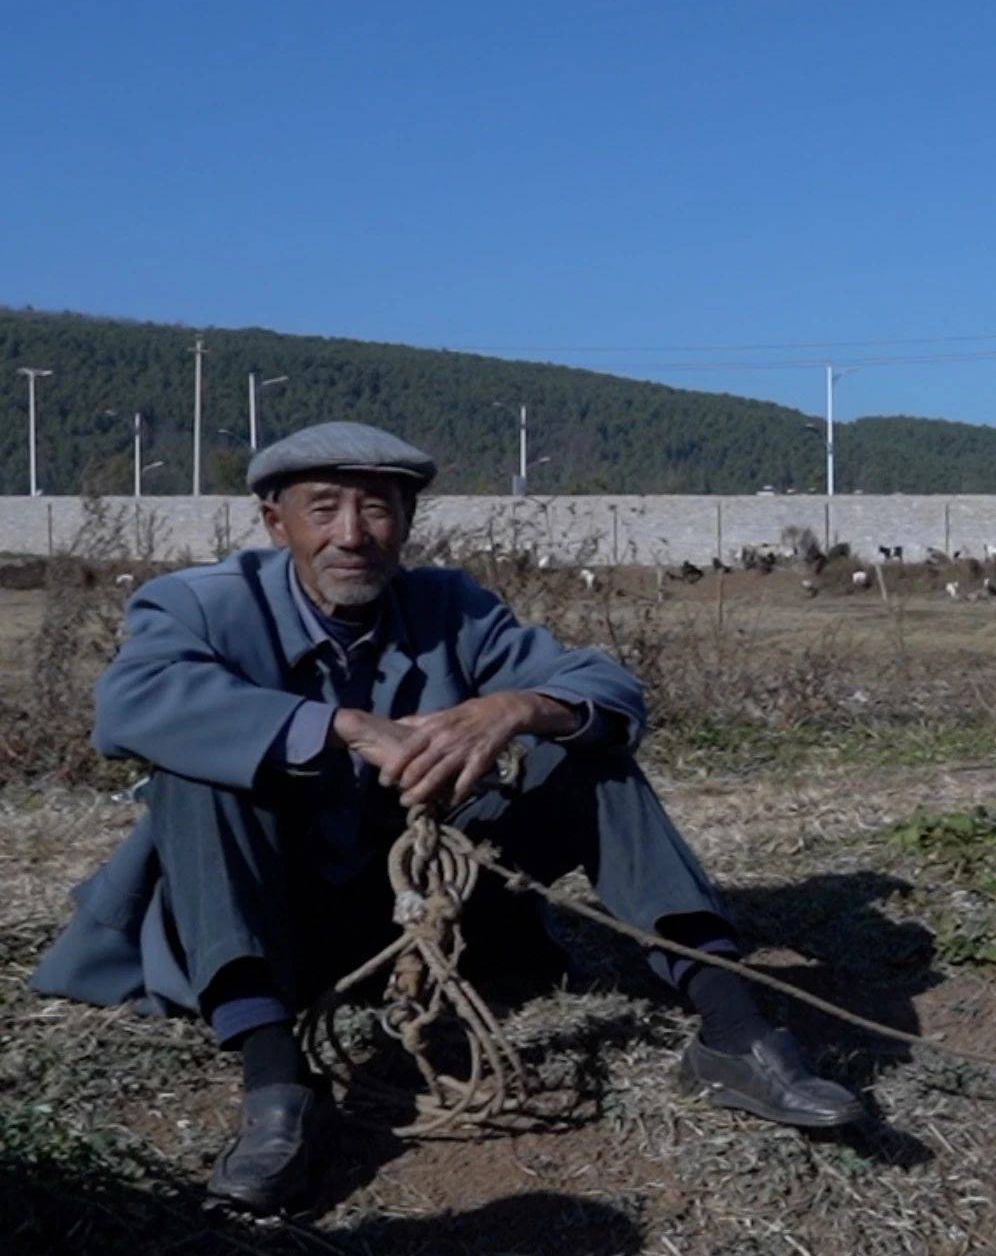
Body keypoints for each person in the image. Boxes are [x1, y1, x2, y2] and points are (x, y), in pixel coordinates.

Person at [32, 421, 860, 1213]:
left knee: (586, 750)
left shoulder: (448, 606)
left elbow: (608, 688)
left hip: (426, 908)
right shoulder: (198, 605)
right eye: (323, 508)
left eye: (379, 507)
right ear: (273, 522)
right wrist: (340, 727)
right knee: (197, 775)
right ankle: (277, 1080)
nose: (352, 533)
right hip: (269, 913)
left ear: (407, 523)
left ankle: (734, 1027)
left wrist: (518, 706)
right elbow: (132, 704)